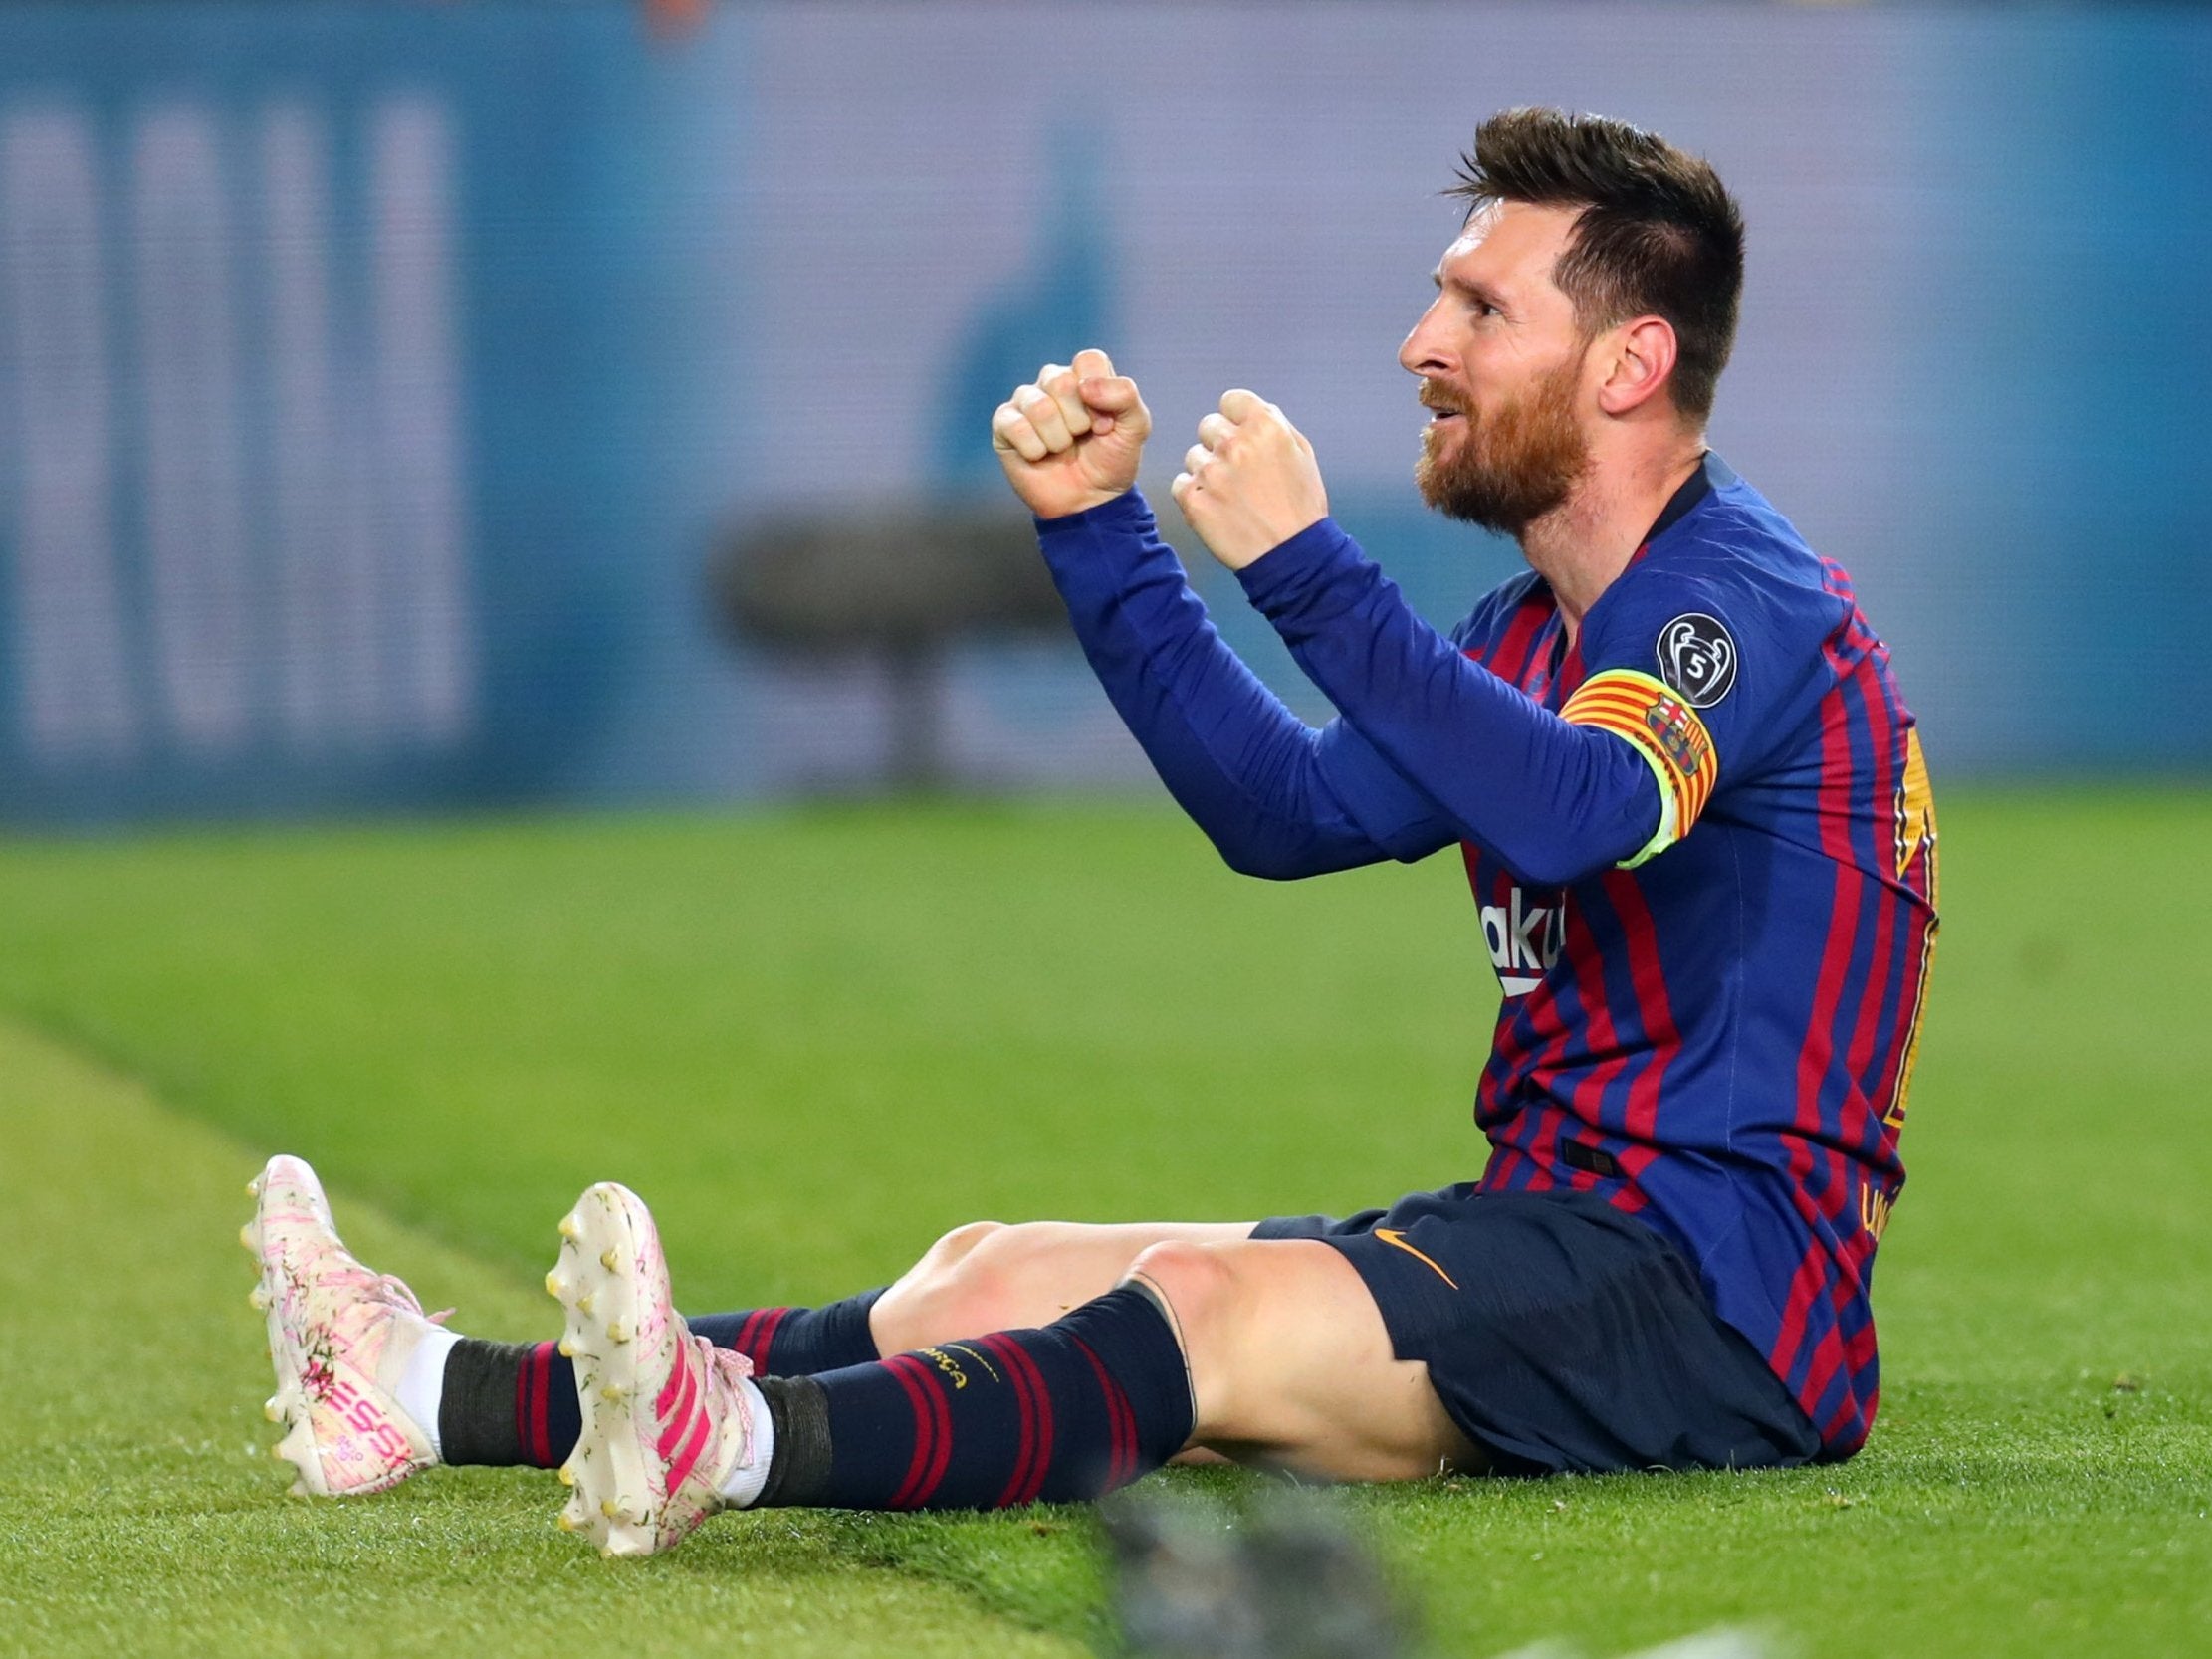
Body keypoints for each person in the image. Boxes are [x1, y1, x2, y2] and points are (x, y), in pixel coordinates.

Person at [245, 107, 1937, 1559]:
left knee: (1195, 1321)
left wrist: (1302, 566)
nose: (1423, 341)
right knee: (996, 1273)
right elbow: (1282, 817)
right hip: (1556, 1231)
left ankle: (725, 1452)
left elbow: (1578, 816)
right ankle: (416, 1391)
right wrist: (1101, 539)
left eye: (1478, 306)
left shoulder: (1741, 600)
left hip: (1718, 1300)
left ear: (1628, 360)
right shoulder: (1524, 632)